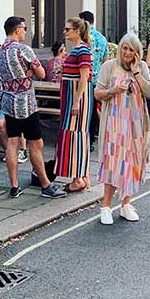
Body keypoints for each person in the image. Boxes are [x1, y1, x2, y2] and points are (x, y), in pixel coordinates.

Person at [0, 16, 66, 199]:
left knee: (12, 142)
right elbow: (41, 73)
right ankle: (46, 185)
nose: (26, 31)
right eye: (25, 28)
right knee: (36, 143)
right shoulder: (23, 49)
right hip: (26, 103)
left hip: (8, 102)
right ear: (17, 30)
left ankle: (14, 185)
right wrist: (28, 72)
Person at [94, 33, 150, 224]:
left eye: (132, 50)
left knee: (133, 161)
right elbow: (97, 93)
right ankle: (106, 206)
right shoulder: (109, 66)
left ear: (138, 53)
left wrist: (136, 72)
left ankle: (126, 204)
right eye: (125, 48)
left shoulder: (142, 67)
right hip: (114, 122)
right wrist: (113, 91)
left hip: (136, 124)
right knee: (113, 162)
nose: (127, 52)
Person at [56, 17, 94, 193]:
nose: (65, 32)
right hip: (72, 96)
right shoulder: (78, 50)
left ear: (77, 31)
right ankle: (83, 175)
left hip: (76, 97)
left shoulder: (82, 50)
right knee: (76, 134)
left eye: (67, 29)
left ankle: (78, 178)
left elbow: (84, 76)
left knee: (74, 134)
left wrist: (76, 101)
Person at [78, 10, 107, 145]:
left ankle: (84, 137)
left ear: (84, 21)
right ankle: (92, 136)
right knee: (94, 109)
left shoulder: (83, 38)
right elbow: (106, 60)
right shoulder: (102, 38)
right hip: (98, 79)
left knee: (84, 108)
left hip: (84, 79)